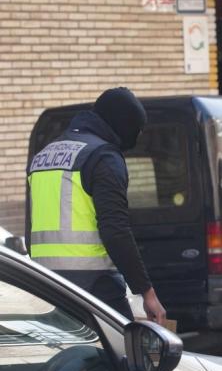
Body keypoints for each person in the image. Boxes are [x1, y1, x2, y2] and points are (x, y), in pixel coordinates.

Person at [26, 87, 167, 324]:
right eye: (136, 130)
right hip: (95, 289)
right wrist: (147, 291)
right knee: (125, 353)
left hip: (47, 288)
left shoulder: (43, 156)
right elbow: (115, 230)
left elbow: (30, 232)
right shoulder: (103, 157)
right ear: (123, 123)